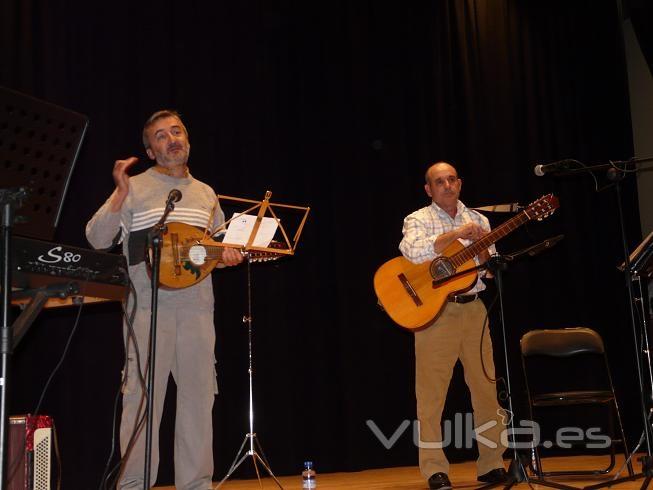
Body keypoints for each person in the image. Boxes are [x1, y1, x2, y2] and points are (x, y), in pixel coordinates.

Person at [86, 110, 243, 489]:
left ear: (187, 140)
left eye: (177, 131)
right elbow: (96, 238)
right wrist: (120, 193)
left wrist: (229, 255)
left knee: (197, 402)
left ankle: (196, 485)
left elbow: (209, 256)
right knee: (141, 403)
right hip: (146, 312)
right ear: (151, 150)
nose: (171, 139)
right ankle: (134, 485)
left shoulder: (207, 194)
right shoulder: (135, 188)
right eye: (160, 136)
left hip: (197, 312)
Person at [399, 162, 507, 490]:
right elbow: (413, 252)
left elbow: (489, 269)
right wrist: (458, 234)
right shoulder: (417, 219)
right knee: (431, 397)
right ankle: (434, 469)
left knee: (487, 389)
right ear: (428, 189)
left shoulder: (481, 219)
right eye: (438, 182)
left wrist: (487, 250)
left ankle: (492, 463)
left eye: (451, 180)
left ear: (459, 183)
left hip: (474, 310)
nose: (446, 185)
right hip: (436, 315)